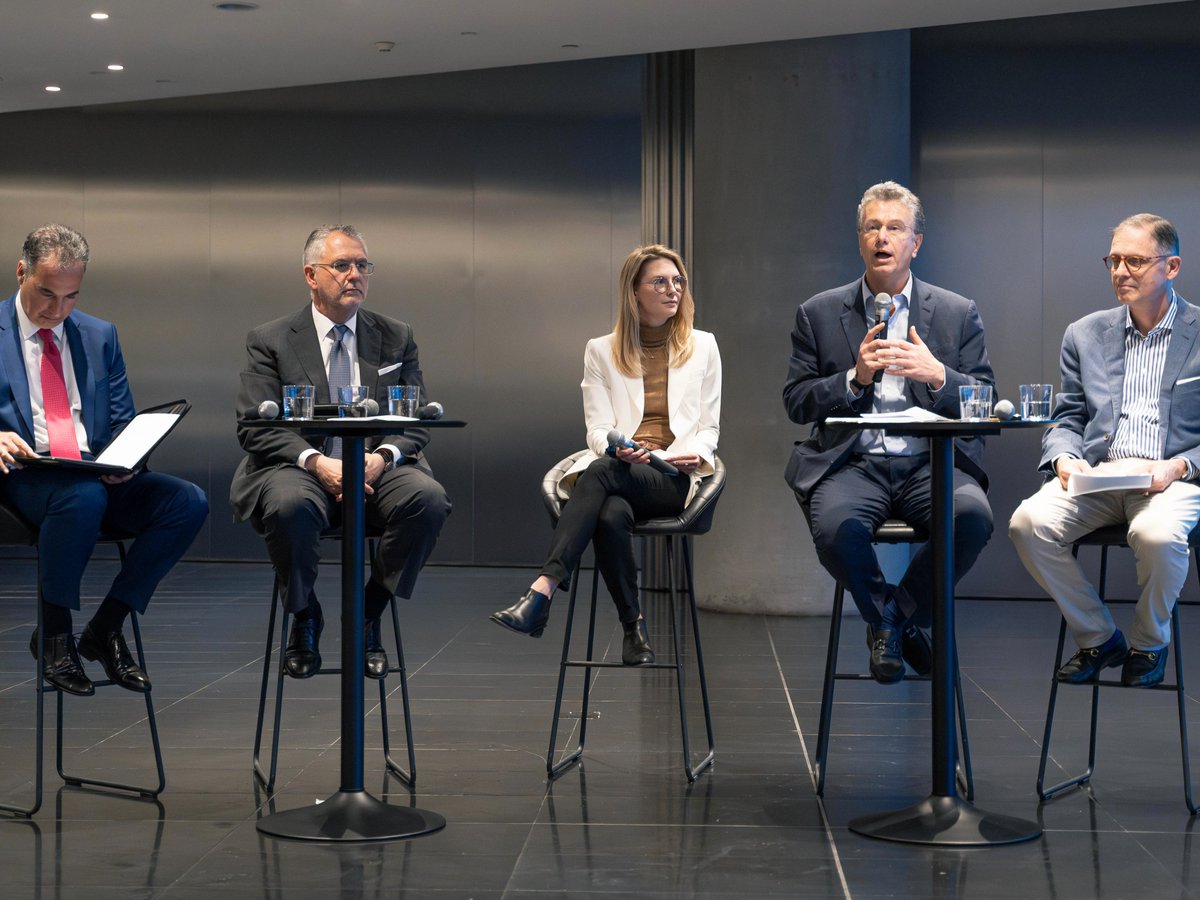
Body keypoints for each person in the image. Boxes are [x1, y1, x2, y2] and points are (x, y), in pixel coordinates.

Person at [783, 181, 995, 684]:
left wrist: (937, 375)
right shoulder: (818, 312)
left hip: (931, 462)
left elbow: (984, 398)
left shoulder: (955, 311)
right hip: (853, 464)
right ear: (860, 240)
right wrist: (852, 378)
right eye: (872, 227)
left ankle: (891, 622)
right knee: (836, 529)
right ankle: (894, 622)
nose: (883, 237)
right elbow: (796, 401)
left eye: (894, 228)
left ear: (915, 243)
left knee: (972, 519)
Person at [231, 224, 450, 680]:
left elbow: (416, 420)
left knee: (427, 500)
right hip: (300, 465)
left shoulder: (396, 336)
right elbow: (255, 425)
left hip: (377, 466)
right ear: (312, 275)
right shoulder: (270, 339)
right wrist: (316, 462)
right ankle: (305, 614)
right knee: (289, 505)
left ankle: (368, 613)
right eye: (342, 265)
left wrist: (383, 456)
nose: (356, 275)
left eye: (363, 265)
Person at [0, 224, 209, 696]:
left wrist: (126, 458)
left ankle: (105, 627)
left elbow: (120, 420)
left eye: (70, 297)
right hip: (26, 473)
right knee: (81, 495)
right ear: (21, 272)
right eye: (46, 294)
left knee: (187, 501)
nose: (57, 310)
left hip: (92, 473)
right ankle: (55, 636)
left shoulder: (100, 336)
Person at [490, 244, 721, 666]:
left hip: (672, 475)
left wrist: (695, 454)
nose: (673, 289)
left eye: (678, 281)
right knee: (611, 512)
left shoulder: (703, 345)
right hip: (623, 469)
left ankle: (542, 591)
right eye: (660, 282)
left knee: (599, 474)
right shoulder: (601, 349)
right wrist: (619, 448)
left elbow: (709, 426)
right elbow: (596, 429)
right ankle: (634, 629)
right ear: (634, 293)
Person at [1010, 214, 1198, 688]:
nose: (1120, 271)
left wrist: (1178, 465)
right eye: (1113, 260)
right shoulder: (1084, 333)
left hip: (1172, 477)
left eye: (1134, 261)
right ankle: (1098, 636)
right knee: (1027, 523)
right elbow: (1068, 416)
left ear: (1171, 266)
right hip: (1101, 473)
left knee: (1157, 537)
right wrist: (1064, 458)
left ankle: (1148, 643)